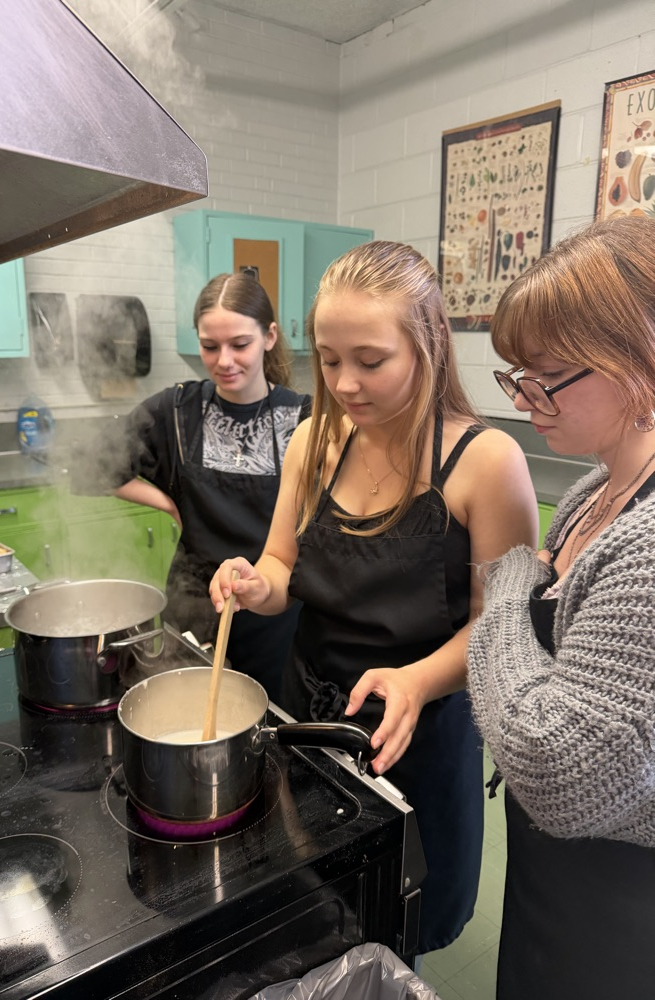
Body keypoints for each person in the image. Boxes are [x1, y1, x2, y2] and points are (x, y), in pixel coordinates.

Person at [209, 240, 538, 954]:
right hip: (312, 730)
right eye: (329, 360)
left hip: (417, 740)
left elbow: (499, 629)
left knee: (396, 928)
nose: (346, 384)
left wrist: (416, 681)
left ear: (428, 345)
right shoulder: (311, 441)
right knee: (315, 920)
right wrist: (252, 583)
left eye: (370, 360)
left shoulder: (485, 463)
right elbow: (279, 566)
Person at [466, 215, 655, 998]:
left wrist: (505, 587)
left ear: (639, 357)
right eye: (515, 374)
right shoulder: (590, 494)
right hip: (555, 875)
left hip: (624, 909)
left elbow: (555, 763)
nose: (522, 397)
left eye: (545, 375)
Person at [112, 272, 311, 705]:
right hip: (193, 606)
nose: (224, 360)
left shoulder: (303, 419)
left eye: (240, 344)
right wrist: (167, 501)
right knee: (186, 716)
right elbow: (95, 466)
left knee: (268, 725)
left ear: (270, 336)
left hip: (275, 615)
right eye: (209, 346)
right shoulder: (176, 411)